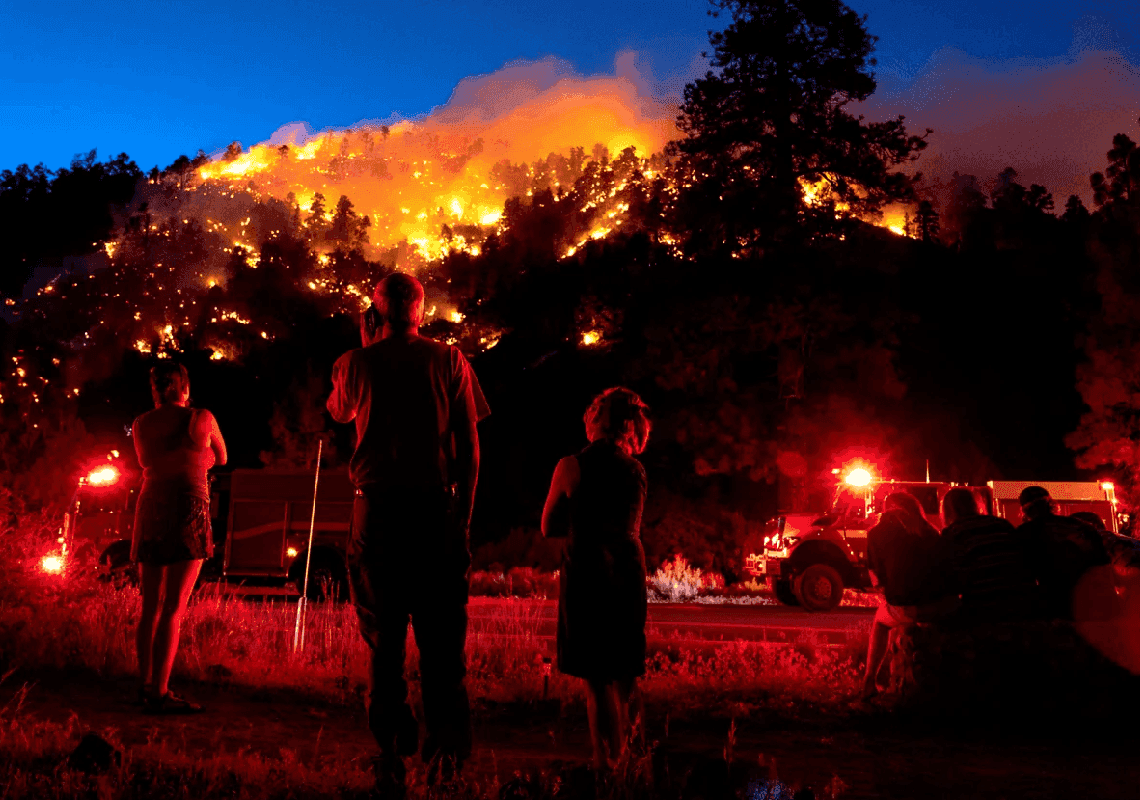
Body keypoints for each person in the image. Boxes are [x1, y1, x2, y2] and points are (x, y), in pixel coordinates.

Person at [327, 273, 489, 789]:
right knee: (443, 641)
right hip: (435, 514)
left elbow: (339, 411)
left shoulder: (357, 363)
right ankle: (447, 756)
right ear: (422, 309)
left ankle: (393, 749)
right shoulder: (450, 361)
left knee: (385, 639)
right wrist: (462, 513)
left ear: (376, 311)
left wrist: (364, 350)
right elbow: (470, 444)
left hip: (377, 514)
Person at [542, 387, 651, 771]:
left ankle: (608, 766)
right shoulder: (636, 470)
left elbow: (548, 525)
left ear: (595, 421)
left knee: (596, 677)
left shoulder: (571, 466)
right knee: (625, 673)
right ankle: (639, 762)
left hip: (588, 567)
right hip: (627, 567)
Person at [131, 362, 226, 713]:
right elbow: (222, 456)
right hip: (189, 505)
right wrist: (202, 455)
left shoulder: (141, 423)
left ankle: (143, 684)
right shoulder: (201, 417)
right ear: (185, 388)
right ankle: (160, 690)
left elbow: (145, 459)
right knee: (174, 607)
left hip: (151, 504)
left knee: (149, 605)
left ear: (155, 390)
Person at [861, 491, 955, 699]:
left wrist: (887, 593)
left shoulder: (876, 533)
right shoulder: (931, 531)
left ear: (887, 509)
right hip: (940, 604)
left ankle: (869, 681)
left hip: (908, 606)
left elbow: (877, 577)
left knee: (881, 621)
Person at [940, 487, 1037, 621]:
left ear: (947, 511)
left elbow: (951, 578)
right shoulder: (1002, 524)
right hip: (1022, 601)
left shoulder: (952, 533)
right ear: (974, 504)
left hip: (983, 606)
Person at [1017, 486, 1113, 621]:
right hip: (1094, 600)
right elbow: (1104, 562)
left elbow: (1022, 574)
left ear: (1025, 510)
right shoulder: (1082, 526)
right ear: (1051, 504)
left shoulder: (1024, 533)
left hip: (1055, 605)